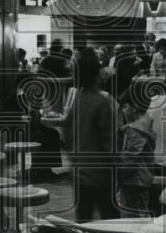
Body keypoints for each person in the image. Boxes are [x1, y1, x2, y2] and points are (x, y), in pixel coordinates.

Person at [43, 48, 118, 221]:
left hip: (79, 172)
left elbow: (68, 136)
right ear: (96, 75)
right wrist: (118, 167)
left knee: (83, 219)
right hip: (100, 174)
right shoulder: (102, 102)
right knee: (111, 219)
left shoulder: (77, 100)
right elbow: (109, 142)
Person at [116, 89, 156, 216]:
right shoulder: (142, 124)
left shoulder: (137, 130)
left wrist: (117, 174)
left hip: (134, 180)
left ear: (135, 107)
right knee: (139, 212)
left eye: (125, 107)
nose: (122, 111)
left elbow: (130, 157)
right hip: (140, 179)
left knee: (133, 215)